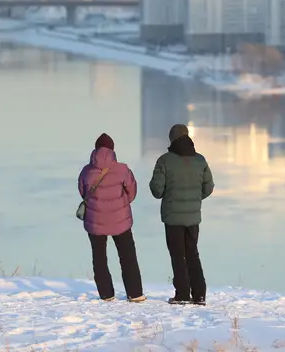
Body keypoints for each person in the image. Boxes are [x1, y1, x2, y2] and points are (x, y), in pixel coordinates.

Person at [149, 124, 214, 305]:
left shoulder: (164, 161)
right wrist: (195, 198)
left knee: (178, 255)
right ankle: (199, 294)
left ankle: (183, 294)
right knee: (192, 253)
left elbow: (156, 190)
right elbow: (209, 187)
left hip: (172, 217)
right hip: (193, 218)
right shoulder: (200, 160)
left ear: (171, 139)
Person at [78, 133, 146, 303]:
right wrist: (120, 205)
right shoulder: (123, 169)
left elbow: (83, 192)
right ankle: (135, 293)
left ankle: (106, 294)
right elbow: (132, 191)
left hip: (95, 220)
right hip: (120, 220)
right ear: (112, 150)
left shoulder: (86, 171)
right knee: (127, 255)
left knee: (99, 256)